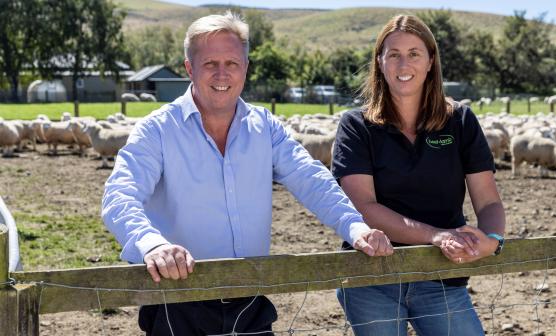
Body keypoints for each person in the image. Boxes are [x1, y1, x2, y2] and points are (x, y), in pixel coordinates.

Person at [101, 12, 393, 336]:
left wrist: (354, 226)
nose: (222, 74)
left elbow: (310, 177)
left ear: (246, 68)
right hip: (178, 300)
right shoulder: (157, 130)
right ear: (189, 68)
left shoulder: (265, 127)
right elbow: (120, 195)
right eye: (210, 63)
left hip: (251, 300)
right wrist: (152, 244)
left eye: (232, 63)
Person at [332, 15, 506, 336]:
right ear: (379, 62)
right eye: (393, 54)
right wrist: (436, 236)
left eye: (414, 53)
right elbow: (363, 207)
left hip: (441, 274)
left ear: (430, 62)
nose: (403, 63)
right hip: (372, 276)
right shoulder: (356, 126)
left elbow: (489, 201)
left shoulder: (461, 121)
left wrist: (493, 241)